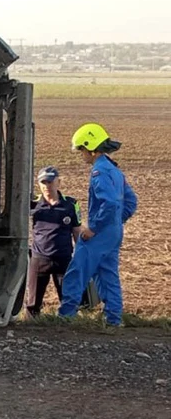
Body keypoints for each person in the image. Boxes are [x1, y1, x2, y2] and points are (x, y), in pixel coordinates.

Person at [59, 123, 138, 327]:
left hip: (99, 233)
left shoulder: (99, 172)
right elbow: (130, 202)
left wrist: (94, 227)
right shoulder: (115, 170)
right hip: (113, 232)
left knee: (77, 272)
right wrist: (116, 222)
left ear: (90, 147)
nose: (81, 154)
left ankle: (66, 316)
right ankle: (113, 319)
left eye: (82, 150)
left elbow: (109, 202)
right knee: (107, 275)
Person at [26, 166, 82, 317]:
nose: (47, 186)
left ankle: (67, 327)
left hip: (63, 259)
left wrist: (81, 256)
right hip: (39, 259)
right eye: (43, 183)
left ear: (58, 182)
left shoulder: (71, 205)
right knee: (33, 303)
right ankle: (31, 328)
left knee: (67, 300)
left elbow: (77, 230)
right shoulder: (32, 204)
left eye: (50, 182)